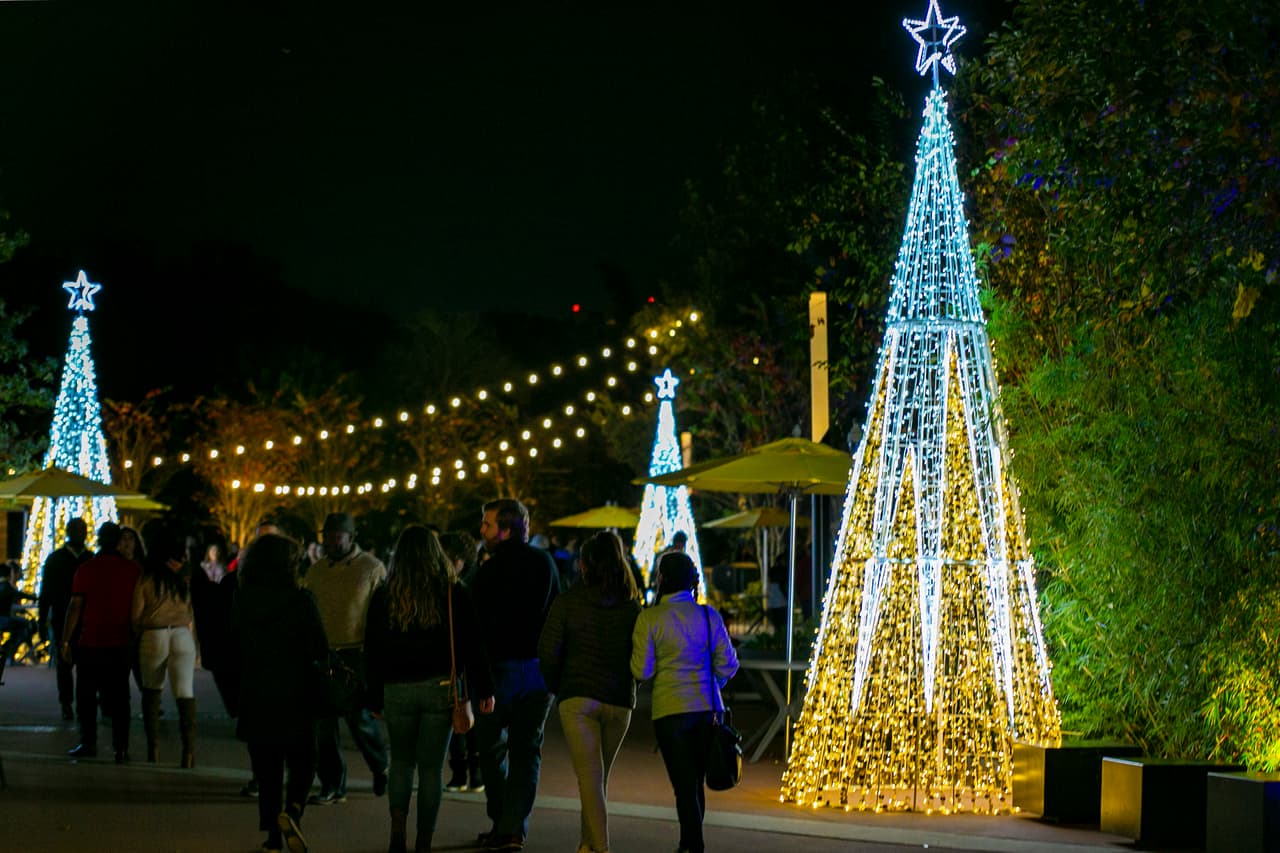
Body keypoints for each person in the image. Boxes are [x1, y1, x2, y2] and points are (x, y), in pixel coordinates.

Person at [364, 525, 496, 853]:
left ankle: (398, 831)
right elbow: (472, 644)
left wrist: (373, 694)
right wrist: (485, 686)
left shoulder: (385, 594)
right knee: (431, 769)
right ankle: (424, 839)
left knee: (401, 763)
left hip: (396, 689)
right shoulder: (453, 592)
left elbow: (373, 648)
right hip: (439, 689)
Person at [537, 530, 642, 853]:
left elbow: (547, 652)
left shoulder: (568, 602)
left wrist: (559, 687)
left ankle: (601, 847)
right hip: (619, 700)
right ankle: (586, 843)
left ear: (583, 565)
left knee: (590, 779)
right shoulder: (631, 607)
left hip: (578, 696)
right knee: (598, 779)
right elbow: (639, 655)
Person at [631, 551, 739, 853]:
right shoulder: (708, 615)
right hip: (707, 708)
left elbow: (643, 670)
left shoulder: (649, 619)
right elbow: (729, 664)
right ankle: (691, 842)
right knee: (695, 782)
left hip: (670, 708)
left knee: (684, 783)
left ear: (661, 578)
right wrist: (710, 683)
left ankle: (692, 844)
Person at [469, 498, 560, 852]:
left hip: (500, 672)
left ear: (506, 530)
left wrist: (479, 680)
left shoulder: (487, 573)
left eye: (488, 525)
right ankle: (513, 827)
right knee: (527, 750)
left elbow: (475, 632)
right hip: (537, 672)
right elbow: (557, 614)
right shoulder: (545, 564)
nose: (482, 531)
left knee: (491, 748)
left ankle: (500, 818)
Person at [233, 533, 327, 853]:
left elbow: (233, 644)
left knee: (267, 767)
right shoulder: (302, 599)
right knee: (304, 758)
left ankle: (273, 835)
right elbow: (319, 646)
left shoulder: (243, 599)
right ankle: (295, 810)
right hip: (297, 691)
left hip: (257, 690)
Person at [301, 511, 389, 804]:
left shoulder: (371, 568)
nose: (331, 542)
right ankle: (332, 784)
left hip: (356, 652)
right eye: (327, 537)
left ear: (352, 538)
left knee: (360, 721)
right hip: (324, 653)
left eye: (337, 536)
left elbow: (381, 613)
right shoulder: (315, 572)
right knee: (323, 726)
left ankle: (381, 767)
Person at [62, 522, 142, 762]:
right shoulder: (133, 570)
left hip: (91, 640)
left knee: (86, 695)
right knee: (120, 697)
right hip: (121, 640)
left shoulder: (86, 569)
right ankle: (121, 746)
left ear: (97, 539)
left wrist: (66, 641)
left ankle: (88, 742)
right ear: (118, 541)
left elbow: (75, 606)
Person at [131, 529, 198, 767]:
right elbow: (192, 610)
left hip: (154, 634)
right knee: (185, 693)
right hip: (182, 633)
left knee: (152, 692)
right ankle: (188, 752)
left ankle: (154, 750)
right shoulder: (184, 579)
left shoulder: (147, 578)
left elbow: (136, 614)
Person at [439, 530, 484, 794]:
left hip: (463, 660)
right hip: (462, 660)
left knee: (463, 716)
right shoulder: (467, 581)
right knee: (461, 715)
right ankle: (465, 773)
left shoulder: (463, 585)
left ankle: (468, 773)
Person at [38, 516, 92, 718]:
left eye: (84, 530)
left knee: (84, 665)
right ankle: (67, 702)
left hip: (86, 620)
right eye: (79, 530)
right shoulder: (57, 559)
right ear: (69, 532)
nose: (82, 534)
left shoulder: (89, 558)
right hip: (62, 617)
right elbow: (46, 592)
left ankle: (79, 702)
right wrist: (42, 620)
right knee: (64, 663)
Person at [1, 560, 40, 684]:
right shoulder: (6, 586)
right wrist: (34, 597)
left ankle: (10, 649)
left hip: (5, 619)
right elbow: (18, 594)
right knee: (27, 625)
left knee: (22, 624)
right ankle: (9, 649)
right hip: (3, 620)